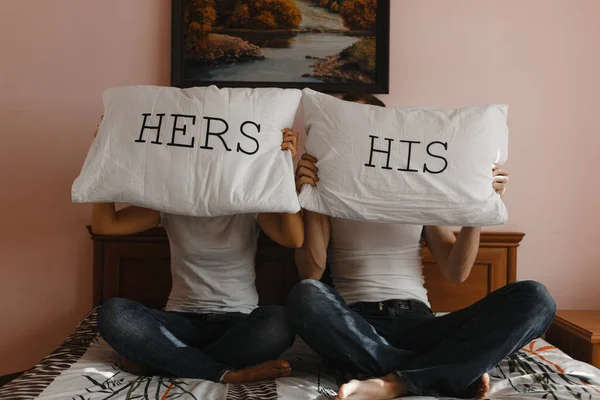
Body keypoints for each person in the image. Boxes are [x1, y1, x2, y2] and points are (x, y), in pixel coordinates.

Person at [288, 93, 556, 400]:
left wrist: (479, 207)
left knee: (537, 299)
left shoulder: (418, 187)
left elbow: (457, 271)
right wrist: (309, 197)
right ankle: (442, 373)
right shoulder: (329, 192)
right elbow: (311, 271)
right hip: (357, 326)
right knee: (304, 295)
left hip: (420, 324)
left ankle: (394, 381)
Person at [92, 116, 304, 384]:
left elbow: (293, 239)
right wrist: (103, 155)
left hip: (238, 323)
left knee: (280, 322)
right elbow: (105, 225)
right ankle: (222, 373)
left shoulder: (249, 202)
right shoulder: (171, 202)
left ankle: (168, 361)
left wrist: (285, 167)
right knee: (113, 313)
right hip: (181, 322)